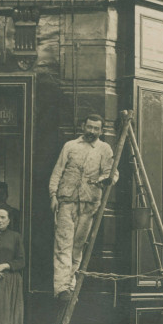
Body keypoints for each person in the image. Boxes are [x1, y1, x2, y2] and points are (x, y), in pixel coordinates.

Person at [49, 114, 117, 303]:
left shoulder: (105, 149)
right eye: (89, 127)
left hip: (89, 204)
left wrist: (104, 180)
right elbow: (57, 172)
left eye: (96, 128)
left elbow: (112, 173)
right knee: (63, 244)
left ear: (101, 131)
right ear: (83, 126)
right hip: (67, 201)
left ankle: (70, 285)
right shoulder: (70, 146)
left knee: (78, 247)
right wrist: (53, 196)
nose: (92, 131)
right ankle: (61, 288)